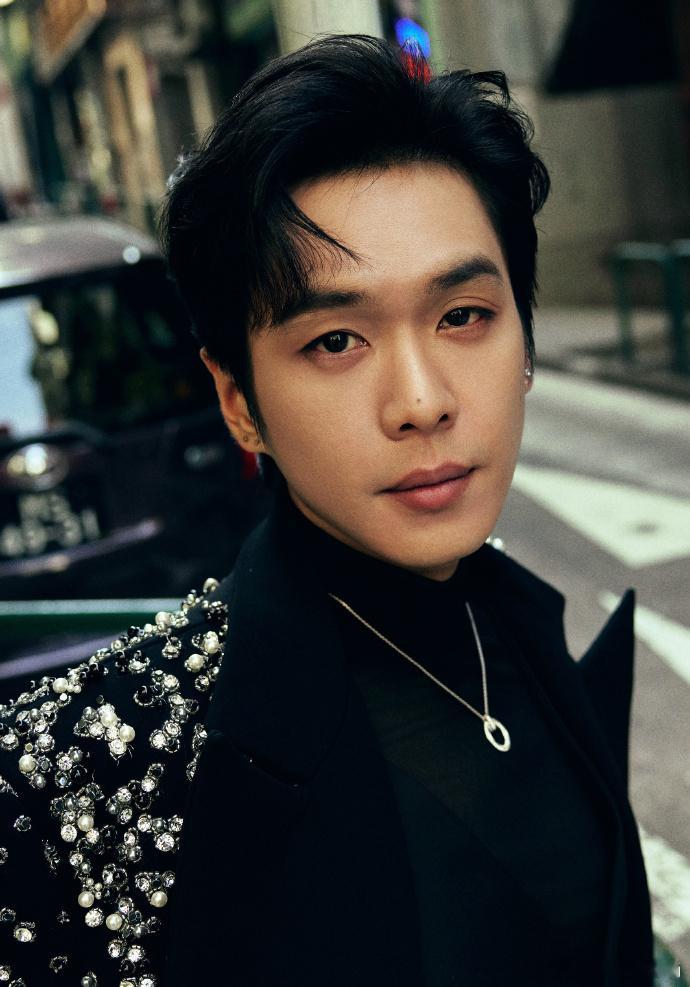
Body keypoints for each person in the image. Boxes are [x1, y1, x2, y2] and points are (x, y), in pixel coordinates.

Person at [0, 34, 654, 987]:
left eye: (463, 316)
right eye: (337, 340)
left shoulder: (518, 624)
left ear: (524, 337)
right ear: (238, 402)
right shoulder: (99, 771)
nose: (422, 400)